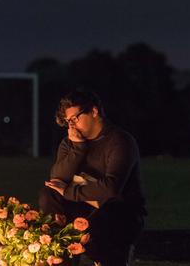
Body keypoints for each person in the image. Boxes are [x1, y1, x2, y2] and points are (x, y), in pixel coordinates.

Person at [39, 89, 146, 266]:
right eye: (67, 122)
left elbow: (111, 188)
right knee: (49, 195)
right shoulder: (70, 142)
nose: (71, 126)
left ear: (94, 112)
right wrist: (78, 148)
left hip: (120, 211)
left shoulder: (120, 141)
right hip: (84, 207)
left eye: (75, 119)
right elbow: (57, 179)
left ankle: (113, 256)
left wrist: (69, 191)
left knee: (100, 219)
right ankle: (61, 259)